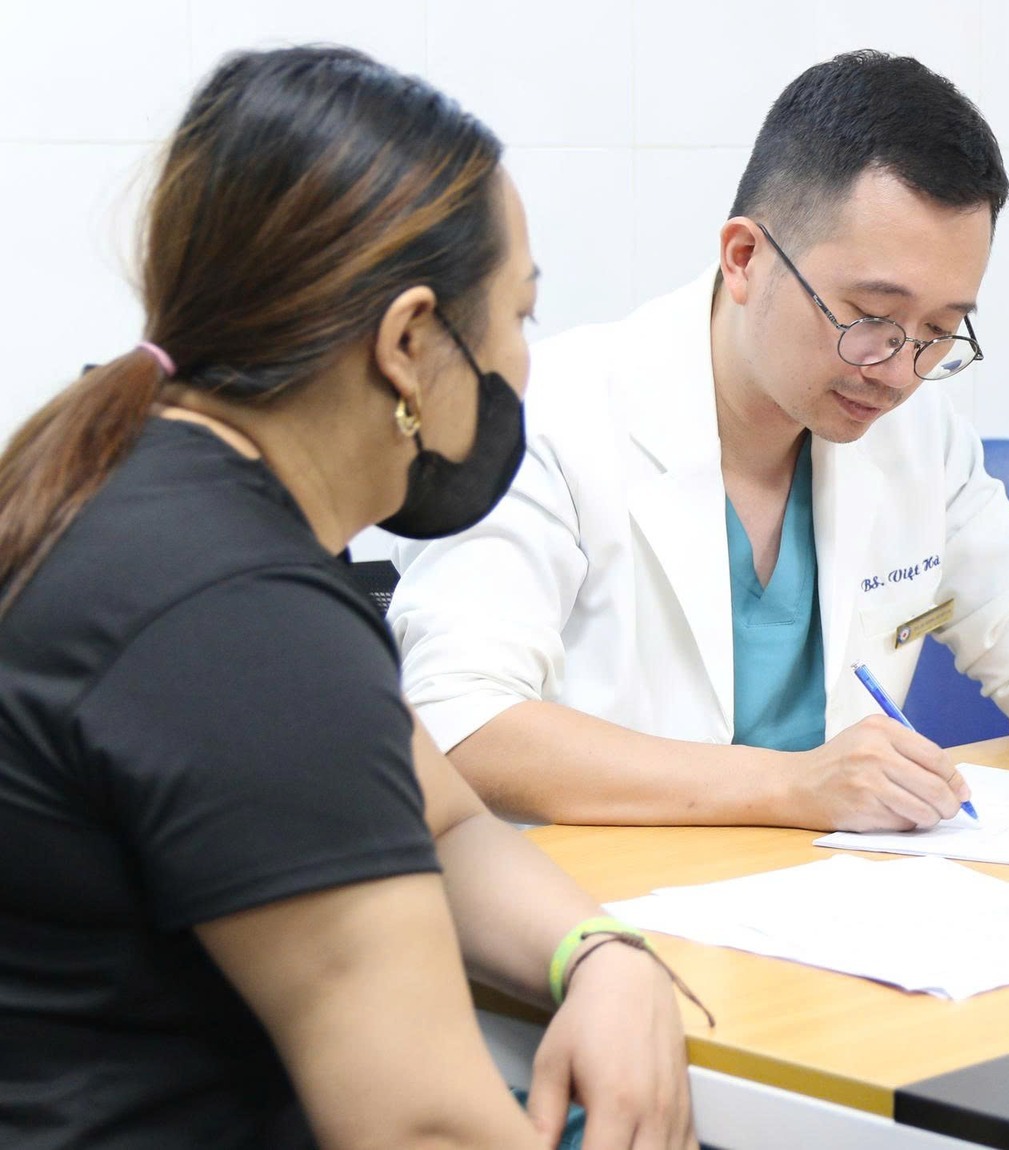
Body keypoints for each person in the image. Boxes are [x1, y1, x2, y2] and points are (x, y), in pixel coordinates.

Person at [0, 47, 695, 1149]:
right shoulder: (238, 616)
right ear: (409, 342)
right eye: (518, 315)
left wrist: (599, 955)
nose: (524, 362)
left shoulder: (145, 493)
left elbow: (445, 819)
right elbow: (423, 1126)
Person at [387, 50, 1009, 831]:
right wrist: (790, 786)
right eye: (871, 317)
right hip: (601, 895)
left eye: (940, 330)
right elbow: (457, 724)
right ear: (744, 258)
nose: (899, 372)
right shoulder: (555, 416)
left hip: (840, 890)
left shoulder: (918, 435)